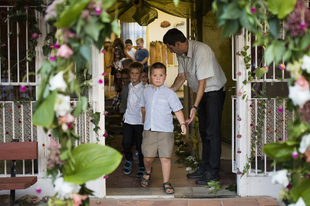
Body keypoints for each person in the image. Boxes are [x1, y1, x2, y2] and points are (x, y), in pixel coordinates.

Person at [163, 28, 227, 185]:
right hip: (202, 92)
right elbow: (181, 76)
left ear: (177, 43)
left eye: (170, 47)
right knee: (203, 132)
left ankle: (213, 172)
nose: (170, 51)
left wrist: (194, 107)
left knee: (212, 133)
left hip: (213, 92)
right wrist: (168, 92)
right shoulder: (181, 53)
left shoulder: (201, 51)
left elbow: (202, 83)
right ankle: (205, 167)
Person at [140, 62, 186, 194]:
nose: (158, 78)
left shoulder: (169, 93)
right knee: (148, 157)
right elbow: (143, 107)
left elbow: (177, 110)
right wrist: (144, 120)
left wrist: (182, 124)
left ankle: (166, 182)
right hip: (149, 129)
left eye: (161, 75)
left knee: (165, 157)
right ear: (150, 76)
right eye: (155, 75)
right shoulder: (146, 92)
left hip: (165, 130)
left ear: (165, 77)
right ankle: (148, 171)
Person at [122, 62, 145, 177]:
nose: (134, 76)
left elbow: (144, 107)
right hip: (128, 119)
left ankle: (142, 165)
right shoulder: (128, 86)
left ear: (141, 75)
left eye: (137, 73)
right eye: (132, 73)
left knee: (140, 145)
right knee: (126, 142)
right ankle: (129, 160)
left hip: (139, 121)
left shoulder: (144, 89)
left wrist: (145, 122)